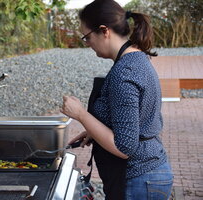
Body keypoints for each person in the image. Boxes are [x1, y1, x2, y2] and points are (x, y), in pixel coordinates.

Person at [60, 0, 173, 199]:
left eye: (87, 37)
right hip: (150, 172)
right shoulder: (137, 58)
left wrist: (81, 115)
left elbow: (124, 147)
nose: (87, 44)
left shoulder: (124, 73)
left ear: (104, 31)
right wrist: (94, 129)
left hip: (139, 178)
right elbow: (134, 119)